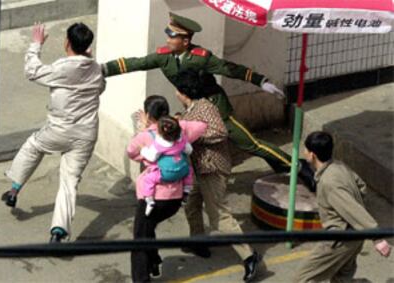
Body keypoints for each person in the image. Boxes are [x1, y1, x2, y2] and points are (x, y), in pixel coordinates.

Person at [100, 12, 316, 192]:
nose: (167, 39)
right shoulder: (163, 56)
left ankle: (297, 166)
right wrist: (103, 70)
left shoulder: (201, 57)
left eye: (172, 36)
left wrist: (261, 81)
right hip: (192, 109)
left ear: (185, 41)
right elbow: (136, 63)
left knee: (250, 143)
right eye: (168, 34)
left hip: (215, 108)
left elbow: (229, 68)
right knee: (185, 144)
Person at [1, 22, 106, 243]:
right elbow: (100, 87)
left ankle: (14, 189)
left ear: (67, 42)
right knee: (69, 182)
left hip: (58, 130)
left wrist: (36, 44)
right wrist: (90, 60)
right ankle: (59, 232)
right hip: (86, 134)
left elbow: (32, 71)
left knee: (33, 146)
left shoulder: (62, 67)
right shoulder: (96, 68)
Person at [175, 85, 263, 282]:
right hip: (198, 168)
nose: (176, 94)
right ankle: (198, 242)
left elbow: (220, 132)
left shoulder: (205, 108)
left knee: (219, 216)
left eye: (177, 91)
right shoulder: (192, 108)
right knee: (191, 205)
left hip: (212, 169)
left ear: (183, 93)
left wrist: (193, 136)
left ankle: (249, 256)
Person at [127, 95, 207, 283]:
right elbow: (202, 126)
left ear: (147, 114)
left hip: (153, 198)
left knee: (139, 238)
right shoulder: (180, 130)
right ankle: (153, 261)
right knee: (148, 228)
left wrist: (146, 154)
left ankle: (142, 279)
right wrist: (181, 121)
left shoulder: (146, 136)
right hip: (176, 198)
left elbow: (131, 151)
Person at [294, 131, 391, 283]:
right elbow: (361, 187)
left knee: (301, 279)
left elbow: (352, 209)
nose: (304, 152)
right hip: (355, 238)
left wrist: (377, 237)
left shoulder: (329, 182)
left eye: (305, 149)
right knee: (341, 278)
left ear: (312, 155)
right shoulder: (339, 166)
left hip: (339, 240)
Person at [140, 115, 194, 216]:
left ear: (160, 132)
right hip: (182, 171)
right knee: (189, 170)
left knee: (148, 179)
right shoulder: (182, 141)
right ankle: (186, 190)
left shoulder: (159, 145)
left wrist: (143, 150)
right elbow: (189, 151)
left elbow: (151, 158)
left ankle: (149, 200)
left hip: (165, 174)